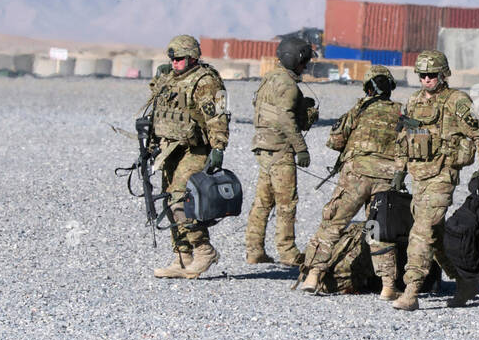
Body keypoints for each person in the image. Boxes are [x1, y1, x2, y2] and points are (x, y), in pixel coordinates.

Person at [391, 50, 479, 311]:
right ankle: (465, 281)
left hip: (443, 175)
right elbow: (404, 138)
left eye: (432, 75)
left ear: (443, 74)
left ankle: (411, 291)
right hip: (419, 176)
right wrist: (399, 170)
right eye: (422, 75)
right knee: (434, 236)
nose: (427, 79)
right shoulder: (413, 102)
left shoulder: (457, 101)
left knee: (422, 232)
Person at [302, 65, 403, 298]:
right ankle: (388, 286)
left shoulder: (359, 109)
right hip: (386, 179)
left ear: (368, 88)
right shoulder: (401, 113)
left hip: (356, 175)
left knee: (334, 223)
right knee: (378, 229)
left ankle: (313, 274)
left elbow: (336, 141)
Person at [151, 34, 230, 279]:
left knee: (180, 199)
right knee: (167, 199)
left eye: (180, 59)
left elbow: (217, 116)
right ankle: (182, 257)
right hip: (170, 147)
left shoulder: (206, 81)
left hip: (195, 149)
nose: (175, 63)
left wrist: (218, 148)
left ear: (193, 57)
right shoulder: (168, 78)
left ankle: (204, 250)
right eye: (172, 59)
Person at [245, 36, 318, 266]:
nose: (304, 67)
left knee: (263, 202)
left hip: (263, 147)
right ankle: (288, 251)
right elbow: (286, 120)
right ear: (294, 60)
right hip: (280, 150)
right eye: (303, 62)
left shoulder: (270, 78)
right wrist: (301, 149)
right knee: (287, 202)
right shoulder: (288, 85)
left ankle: (254, 249)